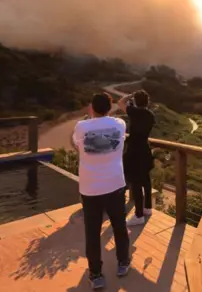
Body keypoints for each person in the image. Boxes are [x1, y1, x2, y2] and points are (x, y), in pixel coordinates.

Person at [71, 92, 131, 290]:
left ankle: (96, 274)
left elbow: (76, 145)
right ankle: (123, 262)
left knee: (93, 231)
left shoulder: (81, 127)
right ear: (110, 106)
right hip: (115, 184)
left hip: (90, 188)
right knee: (119, 226)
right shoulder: (119, 125)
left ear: (91, 108)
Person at [118, 90, 155, 227]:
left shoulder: (133, 112)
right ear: (147, 102)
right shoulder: (150, 115)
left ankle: (138, 215)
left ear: (136, 101)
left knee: (136, 183)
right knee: (146, 179)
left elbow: (120, 102)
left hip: (134, 151)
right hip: (145, 150)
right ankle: (148, 208)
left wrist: (129, 95)